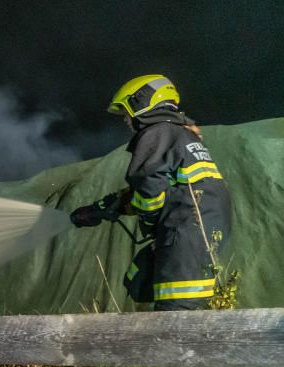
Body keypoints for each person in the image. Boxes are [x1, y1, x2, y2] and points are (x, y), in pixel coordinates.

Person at [70, 74, 231, 310]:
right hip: (201, 234)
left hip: (183, 234)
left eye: (125, 111)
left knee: (175, 313)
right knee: (194, 309)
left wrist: (149, 218)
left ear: (141, 102)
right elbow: (170, 188)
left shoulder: (157, 132)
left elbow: (147, 183)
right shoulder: (184, 136)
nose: (125, 119)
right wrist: (104, 208)